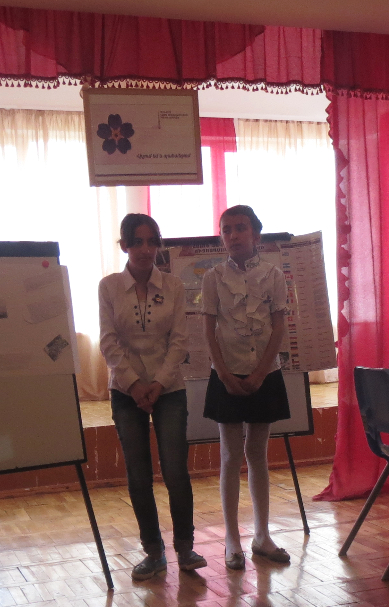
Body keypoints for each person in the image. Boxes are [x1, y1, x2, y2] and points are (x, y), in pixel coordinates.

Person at [99, 213, 206, 581]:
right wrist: (134, 385)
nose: (145, 249)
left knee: (176, 470)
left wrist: (157, 384)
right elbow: (108, 342)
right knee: (139, 474)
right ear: (125, 245)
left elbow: (179, 341)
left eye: (151, 242)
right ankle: (154, 552)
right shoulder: (109, 286)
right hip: (125, 392)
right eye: (137, 242)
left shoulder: (173, 285)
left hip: (169, 389)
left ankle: (185, 548)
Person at [202, 206, 291, 570]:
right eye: (227, 229)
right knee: (229, 456)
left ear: (256, 235)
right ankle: (231, 539)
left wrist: (260, 373)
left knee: (257, 454)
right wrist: (224, 375)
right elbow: (209, 330)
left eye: (240, 228)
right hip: (226, 373)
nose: (233, 235)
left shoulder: (273, 275)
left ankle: (262, 535)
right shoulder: (213, 277)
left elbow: (279, 326)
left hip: (264, 374)